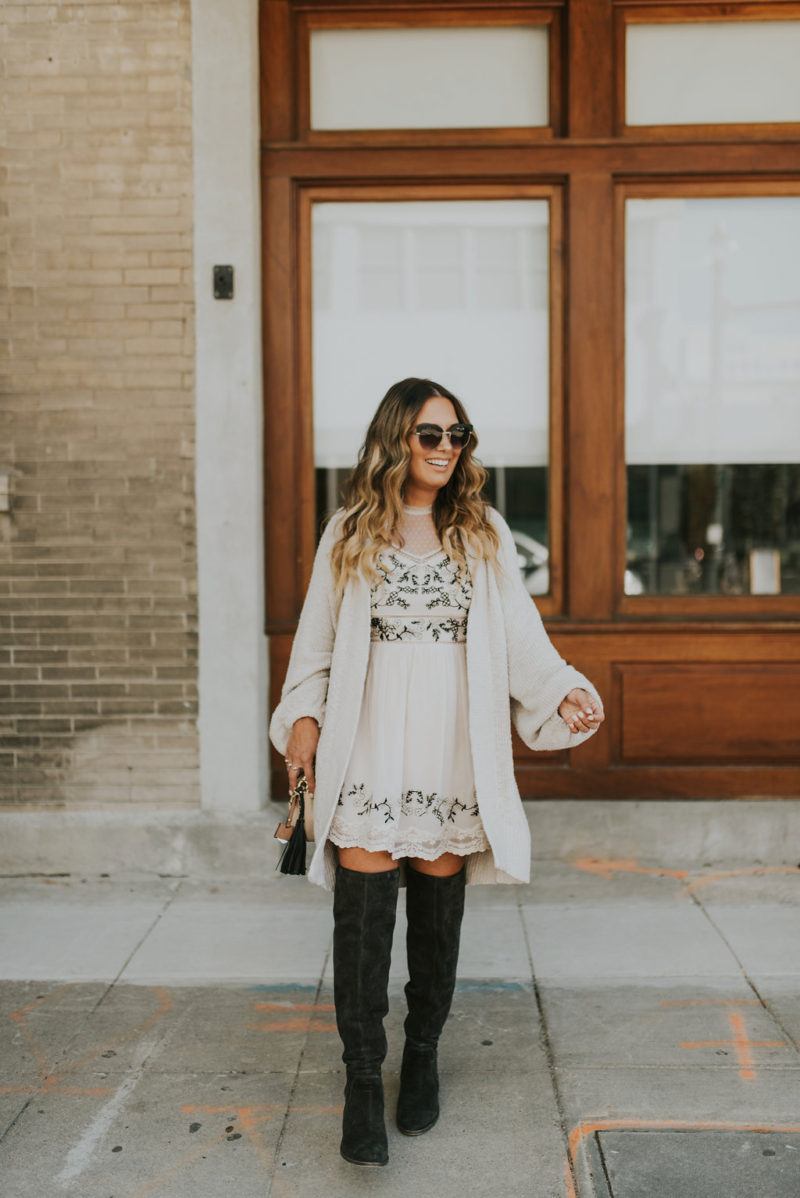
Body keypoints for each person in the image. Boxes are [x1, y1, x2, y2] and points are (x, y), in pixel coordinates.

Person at [269, 378, 604, 1167]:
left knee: (436, 929)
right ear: (397, 438)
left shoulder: (479, 531)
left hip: (451, 753)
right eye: (430, 435)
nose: (447, 449)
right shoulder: (348, 531)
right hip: (368, 752)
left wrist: (565, 692)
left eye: (458, 436)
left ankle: (421, 1057)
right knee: (362, 932)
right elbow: (314, 649)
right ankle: (360, 1083)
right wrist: (303, 723)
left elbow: (522, 642)